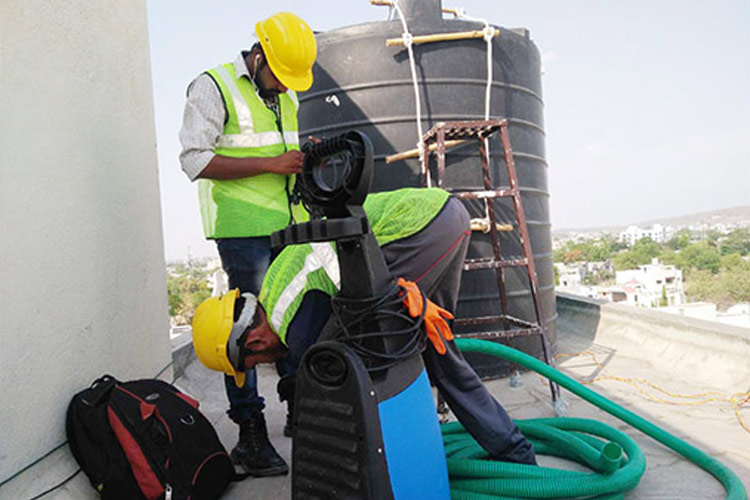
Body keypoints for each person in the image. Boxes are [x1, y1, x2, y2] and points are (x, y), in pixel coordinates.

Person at [193, 187, 538, 465]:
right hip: (441, 214)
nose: (259, 366)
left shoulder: (292, 322)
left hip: (419, 230)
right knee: (438, 350)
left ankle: (408, 463)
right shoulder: (273, 286)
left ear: (250, 341)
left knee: (379, 359)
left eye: (250, 364)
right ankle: (513, 451)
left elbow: (348, 373)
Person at [178, 11, 317, 477]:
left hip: (291, 227)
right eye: (279, 74)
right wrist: (272, 164)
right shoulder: (212, 86)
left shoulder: (285, 94)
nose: (284, 85)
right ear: (258, 56)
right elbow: (195, 160)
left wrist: (298, 157)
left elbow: (279, 152)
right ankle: (250, 434)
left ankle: (301, 408)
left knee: (294, 319)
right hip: (244, 232)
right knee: (243, 331)